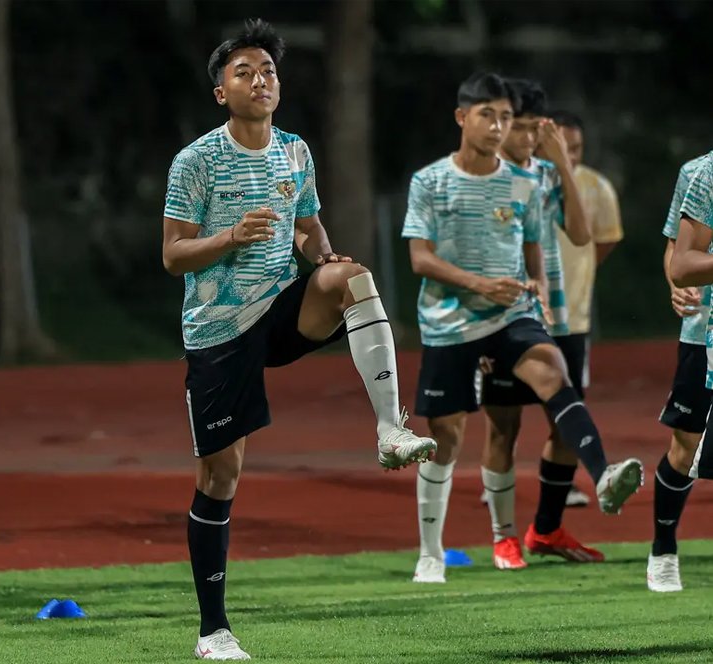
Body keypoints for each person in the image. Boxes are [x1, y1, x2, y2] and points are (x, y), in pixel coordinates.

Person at [162, 19, 435, 660]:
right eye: (244, 72)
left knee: (353, 277)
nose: (260, 80)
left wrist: (323, 252)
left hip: (283, 308)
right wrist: (229, 238)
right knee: (220, 476)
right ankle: (213, 631)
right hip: (219, 329)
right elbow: (173, 256)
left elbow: (310, 229)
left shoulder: (295, 151)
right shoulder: (195, 160)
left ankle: (390, 428)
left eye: (269, 71)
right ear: (220, 93)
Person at [404, 71, 644, 585]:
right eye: (494, 117)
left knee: (555, 377)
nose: (505, 128)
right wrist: (482, 285)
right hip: (451, 324)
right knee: (456, 436)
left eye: (510, 119)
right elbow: (419, 259)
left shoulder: (530, 181)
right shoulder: (430, 181)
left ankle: (598, 479)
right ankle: (437, 550)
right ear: (463, 117)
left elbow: (553, 239)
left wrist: (533, 282)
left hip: (522, 315)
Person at [477, 80, 600, 572]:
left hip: (558, 316)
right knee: (502, 426)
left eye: (533, 129)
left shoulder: (549, 173)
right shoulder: (481, 175)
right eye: (519, 127)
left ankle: (545, 528)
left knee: (566, 422)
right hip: (502, 318)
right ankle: (502, 537)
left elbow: (582, 232)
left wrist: (563, 162)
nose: (526, 138)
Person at [550, 109, 625, 509]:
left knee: (567, 401)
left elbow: (606, 240)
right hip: (520, 313)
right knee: (504, 415)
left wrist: (579, 272)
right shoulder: (524, 184)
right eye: (564, 147)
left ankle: (564, 485)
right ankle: (499, 486)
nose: (572, 156)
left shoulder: (597, 188)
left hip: (572, 316)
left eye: (576, 148)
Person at [658, 151, 713, 591]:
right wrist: (677, 287)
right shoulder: (700, 173)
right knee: (687, 446)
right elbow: (676, 252)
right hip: (704, 331)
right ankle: (663, 548)